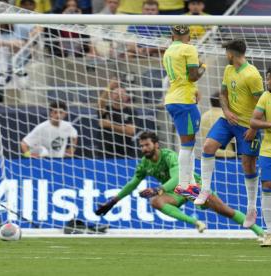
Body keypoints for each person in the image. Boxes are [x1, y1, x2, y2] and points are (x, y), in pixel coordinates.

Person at [95, 132, 264, 238]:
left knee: (225, 211)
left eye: (147, 145)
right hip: (176, 193)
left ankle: (260, 232)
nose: (144, 149)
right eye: (141, 146)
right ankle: (195, 222)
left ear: (156, 145)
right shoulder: (144, 164)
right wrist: (113, 201)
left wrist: (158, 189)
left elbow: (177, 178)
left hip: (191, 186)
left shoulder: (170, 156)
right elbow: (133, 183)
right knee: (155, 201)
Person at [195, 40, 263, 230]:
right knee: (208, 147)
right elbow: (223, 95)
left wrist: (254, 128)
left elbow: (263, 103)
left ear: (231, 53)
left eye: (226, 52)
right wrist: (226, 111)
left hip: (247, 126)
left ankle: (251, 208)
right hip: (228, 121)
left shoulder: (252, 75)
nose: (226, 55)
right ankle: (206, 190)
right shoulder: (228, 70)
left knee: (248, 165)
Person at [162, 25, 204, 194]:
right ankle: (183, 184)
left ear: (172, 36)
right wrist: (204, 67)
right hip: (184, 101)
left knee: (189, 144)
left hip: (173, 98)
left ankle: (191, 182)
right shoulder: (189, 48)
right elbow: (193, 76)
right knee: (187, 145)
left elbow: (184, 77)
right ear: (188, 36)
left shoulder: (168, 51)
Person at [251, 68, 271, 246]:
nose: (268, 82)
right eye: (267, 79)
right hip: (268, 149)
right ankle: (269, 232)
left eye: (270, 79)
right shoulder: (265, 96)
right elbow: (254, 121)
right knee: (267, 185)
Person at [98, 79, 137, 158]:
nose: (119, 95)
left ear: (126, 97)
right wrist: (109, 86)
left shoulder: (131, 112)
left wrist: (110, 125)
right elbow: (101, 103)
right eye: (116, 93)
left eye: (122, 93)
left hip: (125, 152)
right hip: (106, 151)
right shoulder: (107, 110)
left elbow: (130, 131)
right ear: (111, 96)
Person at [200, 93, 235, 158]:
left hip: (208, 154)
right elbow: (234, 139)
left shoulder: (203, 116)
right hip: (227, 156)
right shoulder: (227, 116)